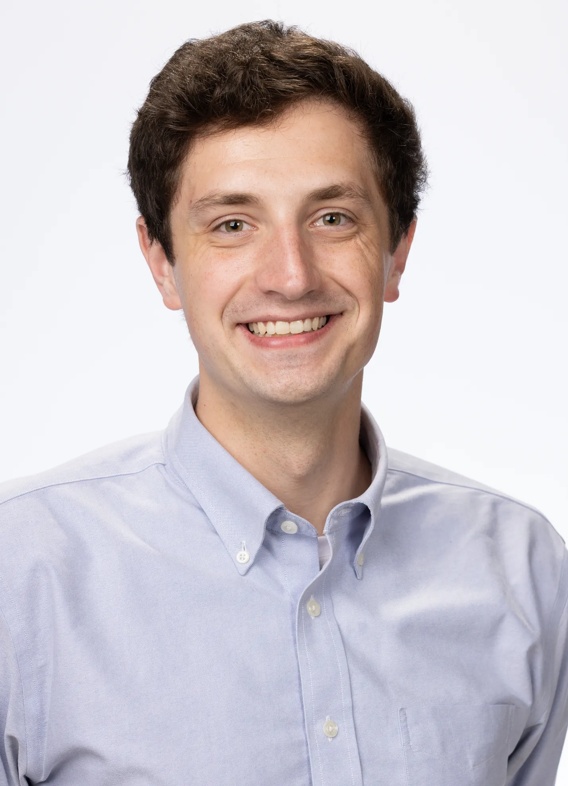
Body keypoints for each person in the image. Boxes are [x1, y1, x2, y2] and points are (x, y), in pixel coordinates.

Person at [0, 19, 566, 786]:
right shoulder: (24, 575)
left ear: (397, 251)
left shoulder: (524, 571)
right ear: (161, 263)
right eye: (233, 225)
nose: (291, 276)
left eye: (333, 218)